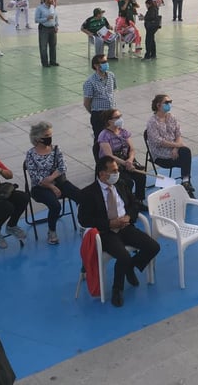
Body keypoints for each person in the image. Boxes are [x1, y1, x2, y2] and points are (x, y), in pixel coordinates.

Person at [77, 156, 160, 308]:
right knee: (123, 256)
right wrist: (109, 223)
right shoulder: (89, 193)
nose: (117, 173)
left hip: (126, 227)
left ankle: (130, 267)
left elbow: (134, 204)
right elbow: (84, 220)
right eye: (114, 171)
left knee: (153, 247)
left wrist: (129, 216)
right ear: (102, 174)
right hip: (106, 233)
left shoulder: (121, 184)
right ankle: (117, 289)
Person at [25, 121, 82, 245]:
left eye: (50, 135)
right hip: (40, 188)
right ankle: (51, 231)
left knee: (81, 196)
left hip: (58, 182)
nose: (49, 139)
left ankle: (83, 223)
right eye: (46, 136)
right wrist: (51, 186)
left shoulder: (56, 149)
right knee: (55, 206)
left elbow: (63, 166)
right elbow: (35, 176)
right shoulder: (30, 154)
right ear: (37, 138)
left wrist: (51, 178)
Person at [97, 109, 147, 209]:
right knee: (127, 182)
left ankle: (138, 200)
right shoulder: (104, 135)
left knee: (141, 175)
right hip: (112, 165)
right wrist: (125, 163)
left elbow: (132, 149)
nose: (120, 119)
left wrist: (130, 160)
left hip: (126, 161)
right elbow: (109, 155)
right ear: (109, 121)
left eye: (120, 116)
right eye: (117, 117)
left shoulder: (124, 132)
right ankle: (127, 203)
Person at [146, 94, 195, 196]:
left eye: (170, 102)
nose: (169, 104)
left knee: (186, 151)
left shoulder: (171, 117)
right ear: (158, 105)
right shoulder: (152, 122)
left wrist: (176, 148)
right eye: (166, 102)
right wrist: (177, 145)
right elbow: (158, 141)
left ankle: (185, 182)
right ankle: (186, 183)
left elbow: (178, 133)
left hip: (174, 150)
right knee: (185, 157)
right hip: (160, 154)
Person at [83, 53, 118, 161]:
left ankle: (112, 161)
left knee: (113, 138)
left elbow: (113, 90)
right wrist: (95, 113)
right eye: (103, 62)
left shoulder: (111, 76)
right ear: (96, 65)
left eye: (106, 61)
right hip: (99, 114)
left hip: (112, 114)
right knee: (99, 140)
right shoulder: (90, 82)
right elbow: (87, 102)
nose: (106, 64)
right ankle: (100, 163)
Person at [34, 0, 59, 67]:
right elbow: (36, 20)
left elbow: (56, 16)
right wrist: (46, 18)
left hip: (52, 28)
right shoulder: (40, 8)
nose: (52, 0)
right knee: (43, 46)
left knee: (53, 45)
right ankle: (45, 63)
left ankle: (53, 61)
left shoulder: (53, 7)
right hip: (44, 29)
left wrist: (56, 25)